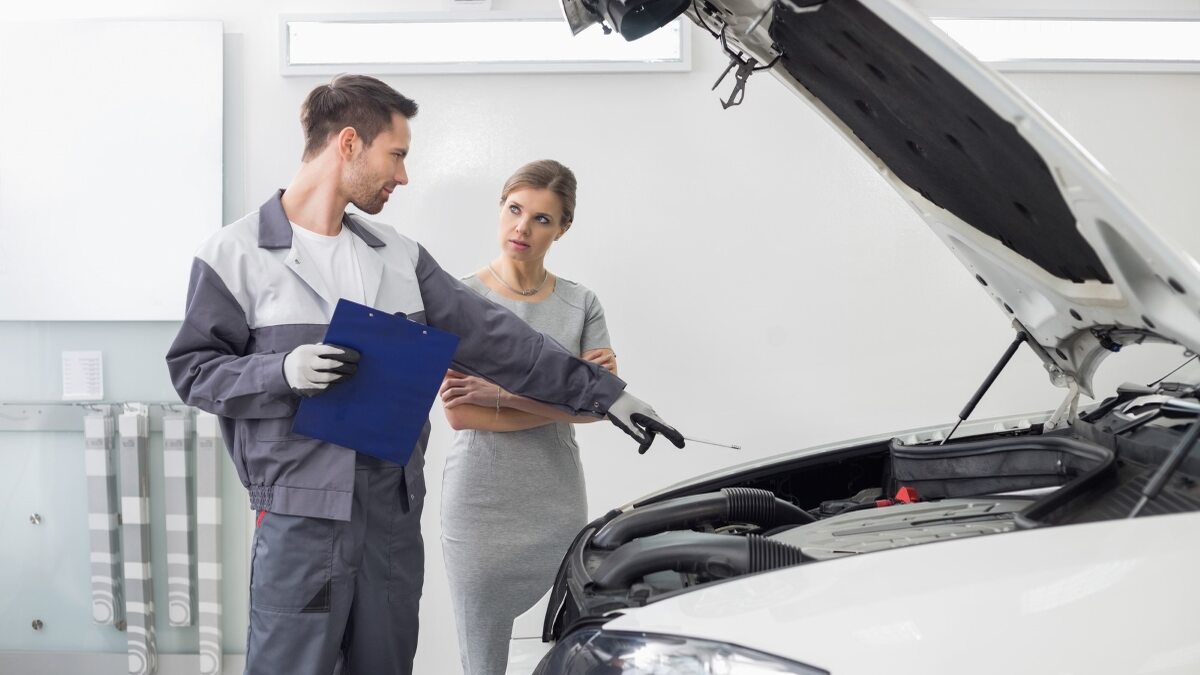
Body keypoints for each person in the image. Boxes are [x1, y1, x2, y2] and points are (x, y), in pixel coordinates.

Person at [164, 74, 683, 675]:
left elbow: (501, 341)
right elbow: (194, 371)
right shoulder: (235, 255)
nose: (404, 176)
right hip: (301, 515)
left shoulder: (398, 257)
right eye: (397, 155)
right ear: (350, 143)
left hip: (390, 512)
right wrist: (281, 370)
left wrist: (609, 395)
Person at [438, 160, 615, 675]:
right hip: (479, 503)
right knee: (481, 657)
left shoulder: (581, 304)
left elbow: (601, 408)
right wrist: (567, 395)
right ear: (501, 208)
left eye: (541, 219)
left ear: (563, 228)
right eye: (515, 210)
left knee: (567, 648)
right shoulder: (461, 298)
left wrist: (504, 394)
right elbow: (461, 414)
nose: (522, 228)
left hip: (556, 500)